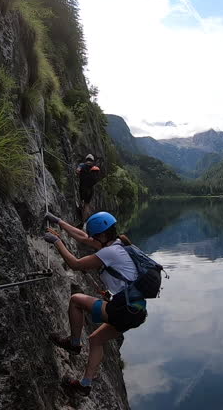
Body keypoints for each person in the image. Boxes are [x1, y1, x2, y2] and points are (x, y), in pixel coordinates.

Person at [43, 211, 147, 396]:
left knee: (76, 300)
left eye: (95, 236)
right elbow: (83, 237)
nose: (91, 238)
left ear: (102, 235)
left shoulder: (110, 252)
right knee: (95, 340)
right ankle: (84, 385)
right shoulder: (119, 244)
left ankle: (74, 344)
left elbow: (75, 264)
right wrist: (59, 221)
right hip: (137, 311)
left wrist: (56, 242)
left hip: (124, 310)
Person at [75, 154, 101, 221]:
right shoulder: (95, 168)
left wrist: (80, 173)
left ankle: (79, 216)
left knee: (81, 201)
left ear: (86, 159)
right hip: (91, 189)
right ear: (92, 161)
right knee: (87, 205)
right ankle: (84, 221)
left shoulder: (82, 165)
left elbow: (77, 171)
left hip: (82, 187)